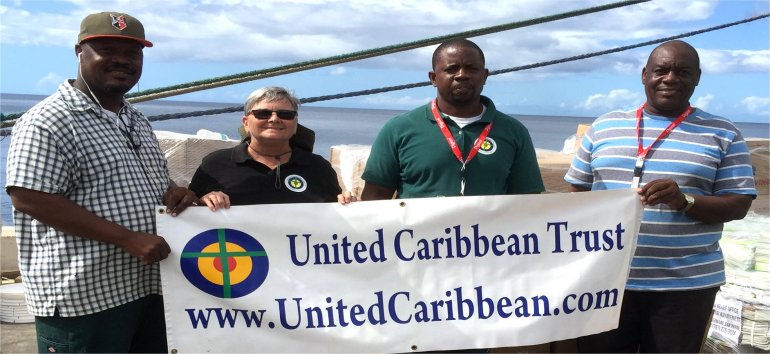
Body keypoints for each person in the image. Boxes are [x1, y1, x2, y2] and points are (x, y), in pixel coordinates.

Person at [5, 11, 197, 353]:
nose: (121, 60)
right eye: (107, 49)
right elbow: (29, 197)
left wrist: (174, 193)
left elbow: (151, 180)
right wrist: (128, 239)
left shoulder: (134, 118)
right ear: (80, 52)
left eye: (132, 53)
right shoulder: (48, 120)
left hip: (144, 287)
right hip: (83, 297)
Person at [565, 40, 756, 353]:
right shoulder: (603, 127)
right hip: (604, 283)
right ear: (644, 75)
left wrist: (685, 201)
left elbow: (739, 204)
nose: (671, 78)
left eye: (683, 72)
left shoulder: (724, 132)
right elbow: (577, 194)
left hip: (685, 287)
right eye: (661, 70)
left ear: (697, 78)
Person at [361, 38, 544, 201]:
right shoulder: (399, 128)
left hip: (489, 239)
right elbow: (375, 196)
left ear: (485, 75)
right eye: (451, 69)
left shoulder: (513, 131)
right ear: (433, 78)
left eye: (472, 69)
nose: (462, 75)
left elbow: (527, 202)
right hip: (418, 239)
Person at [189, 86, 343, 209]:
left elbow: (337, 218)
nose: (274, 119)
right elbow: (188, 211)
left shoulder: (319, 167)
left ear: (296, 123)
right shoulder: (215, 164)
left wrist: (349, 205)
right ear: (245, 123)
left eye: (285, 114)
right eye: (263, 113)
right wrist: (202, 201)